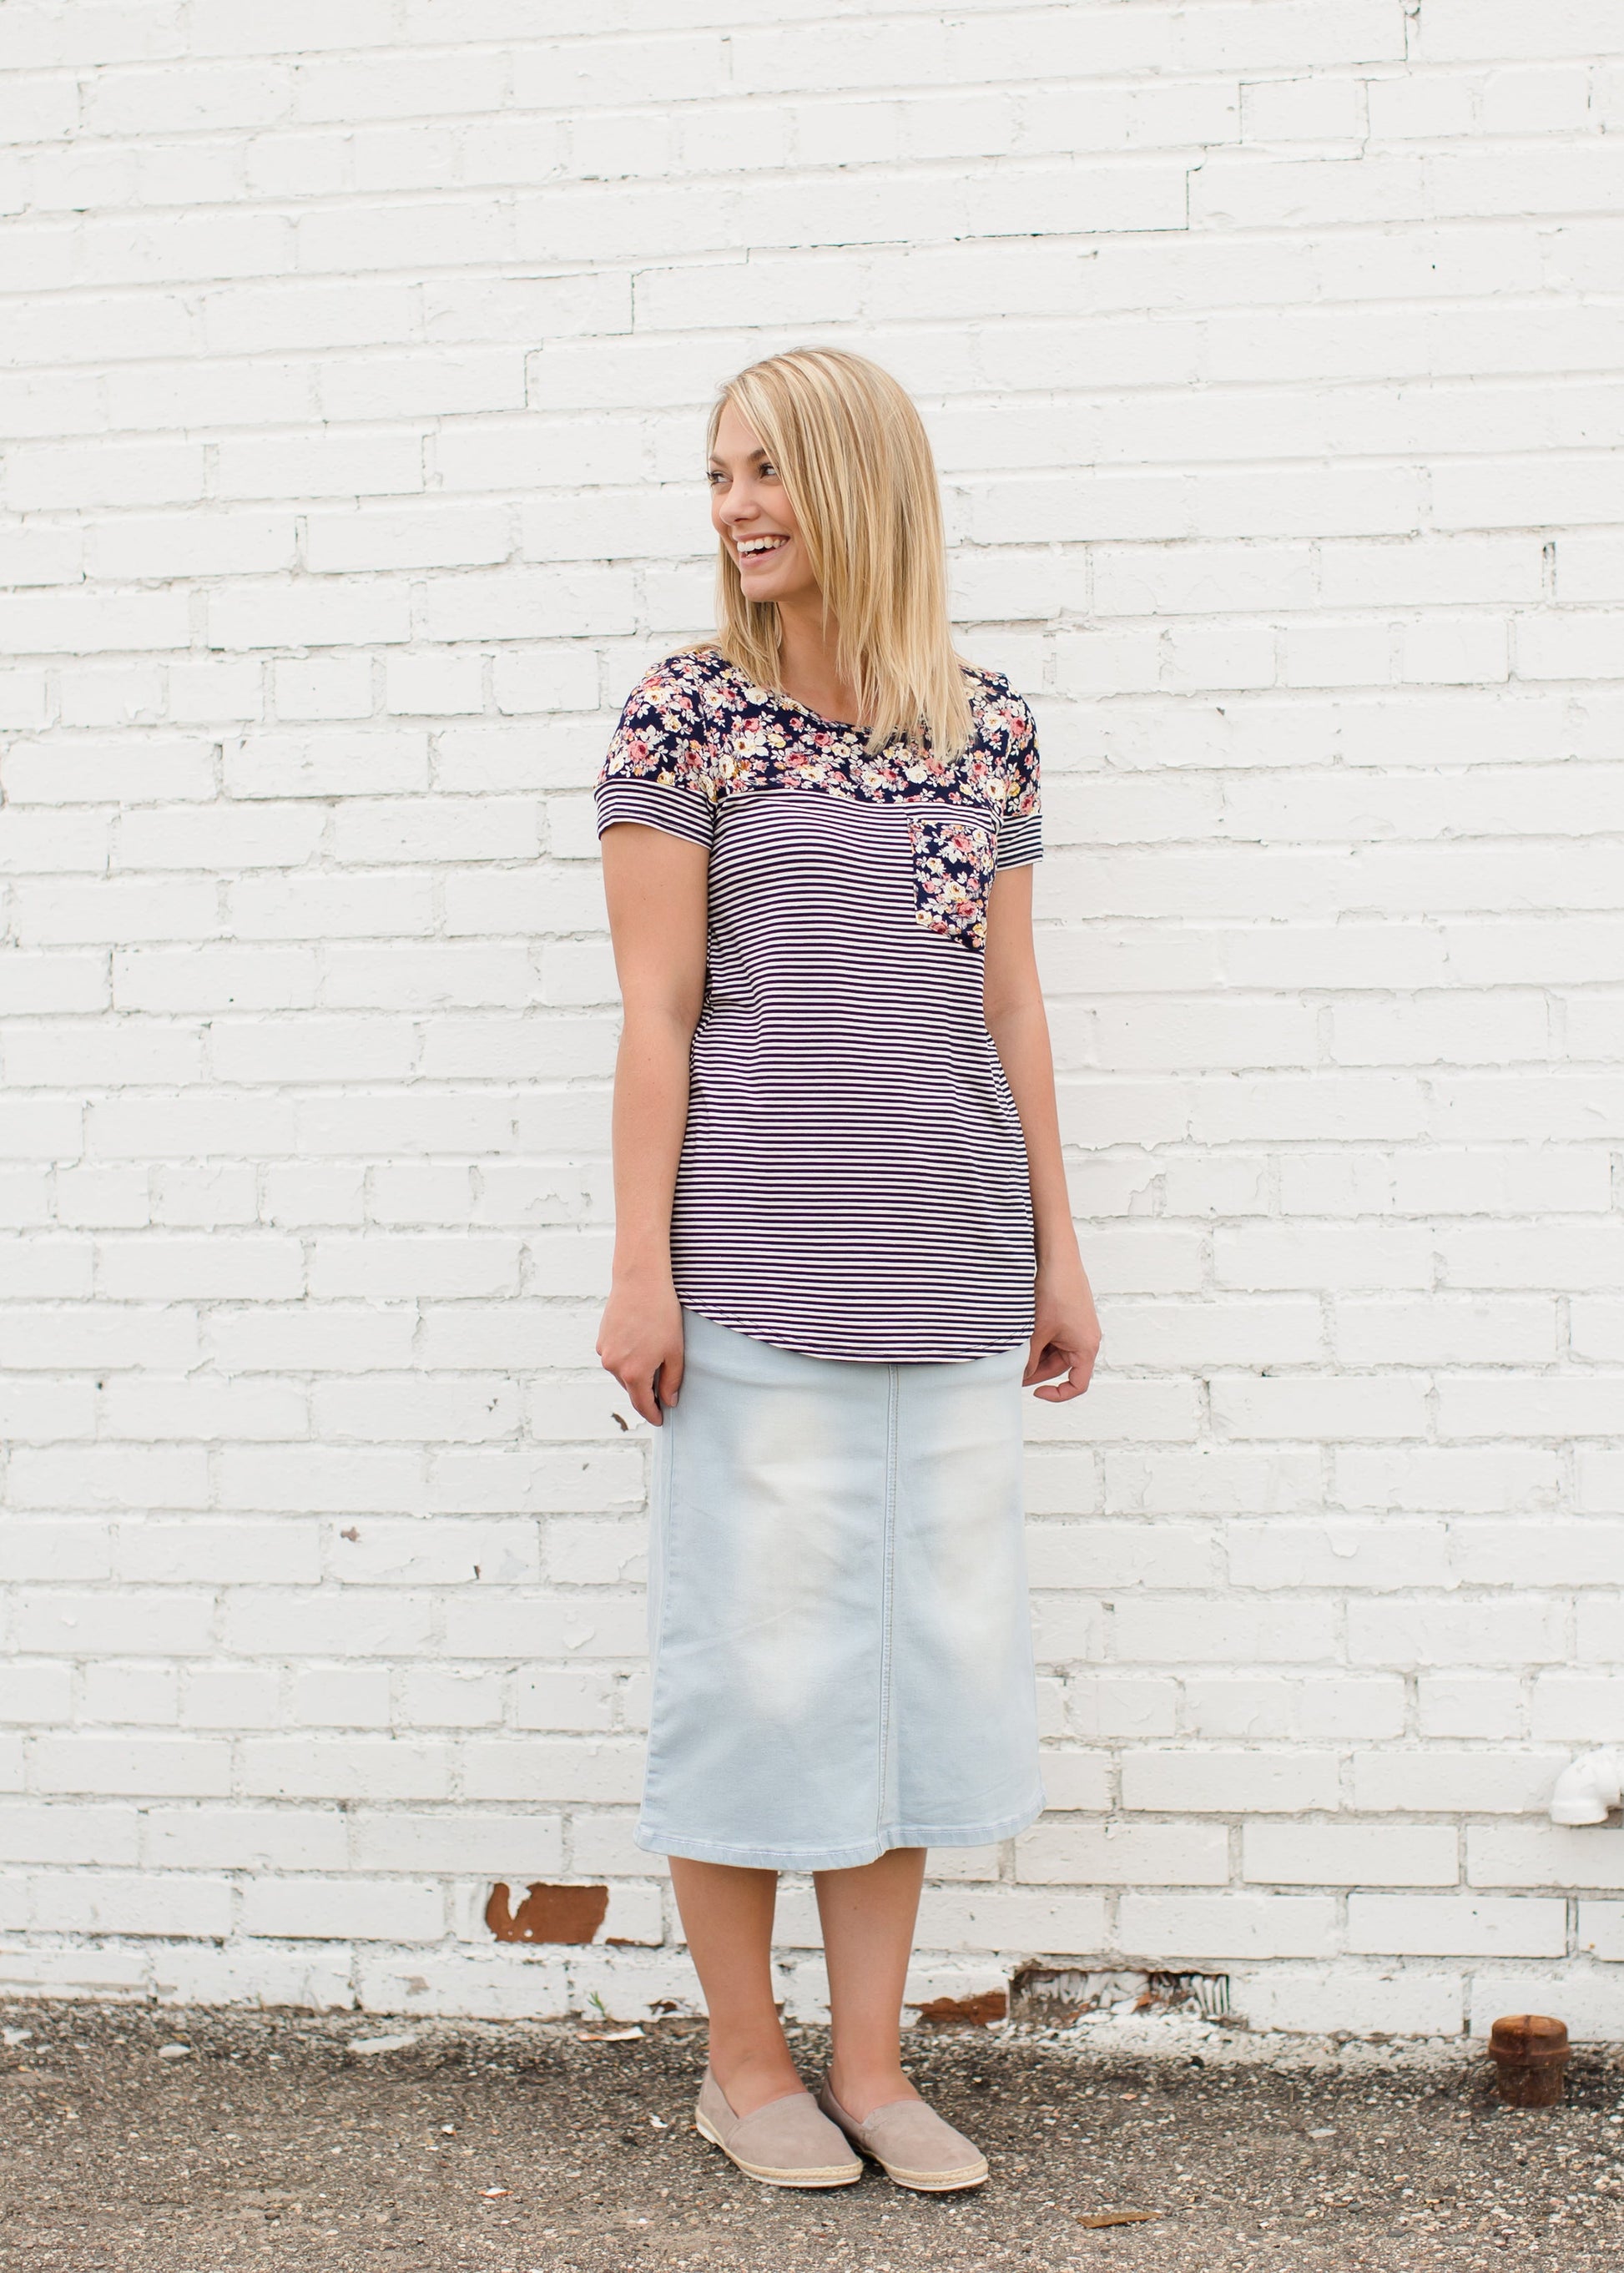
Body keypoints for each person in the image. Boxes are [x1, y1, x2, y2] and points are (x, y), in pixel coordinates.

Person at [593, 346, 1100, 2195]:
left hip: (953, 1281)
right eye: (718, 473)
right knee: (756, 1677)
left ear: (858, 482)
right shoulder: (684, 721)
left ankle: (872, 2068)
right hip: (751, 1281)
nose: (734, 506)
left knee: (907, 1681)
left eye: (768, 470)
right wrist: (637, 1271)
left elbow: (1009, 1002)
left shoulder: (988, 728)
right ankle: (747, 2068)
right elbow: (657, 1010)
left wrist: (1058, 1250)